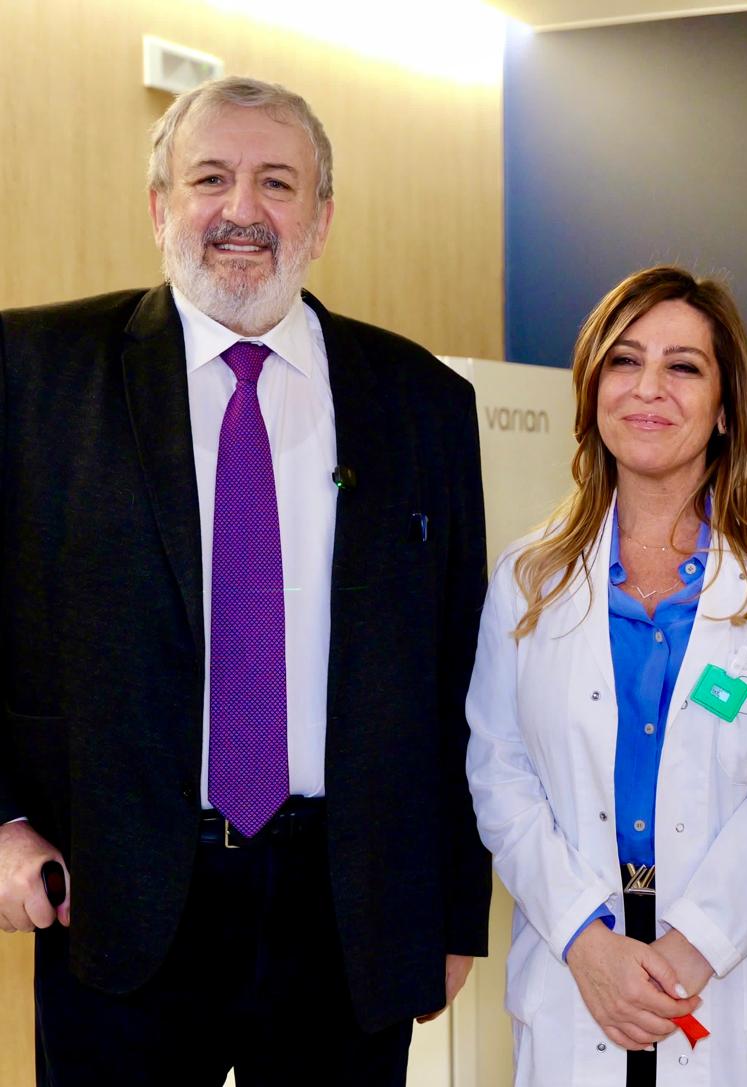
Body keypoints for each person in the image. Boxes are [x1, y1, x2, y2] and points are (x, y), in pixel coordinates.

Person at [0, 76, 490, 1084]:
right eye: (210, 178)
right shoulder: (34, 373)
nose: (242, 210)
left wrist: (452, 913)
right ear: (159, 207)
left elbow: (456, 673)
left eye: (277, 182)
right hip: (117, 902)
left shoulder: (421, 402)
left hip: (346, 914)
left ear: (322, 218)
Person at [466, 265, 747, 1086]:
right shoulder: (529, 576)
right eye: (624, 360)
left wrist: (697, 942)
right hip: (579, 965)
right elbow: (498, 772)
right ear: (592, 390)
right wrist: (584, 938)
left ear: (723, 406)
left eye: (683, 366)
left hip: (737, 968)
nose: (649, 387)